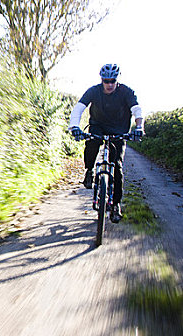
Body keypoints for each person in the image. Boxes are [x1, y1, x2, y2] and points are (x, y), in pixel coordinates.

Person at [68, 64, 144, 223]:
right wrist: (74, 126)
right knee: (91, 144)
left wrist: (139, 127)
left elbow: (136, 109)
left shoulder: (126, 92)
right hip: (98, 125)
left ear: (117, 80)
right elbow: (78, 108)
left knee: (117, 166)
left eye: (112, 81)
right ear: (101, 80)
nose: (109, 84)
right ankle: (89, 171)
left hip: (119, 129)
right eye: (106, 81)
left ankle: (116, 205)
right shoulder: (94, 91)